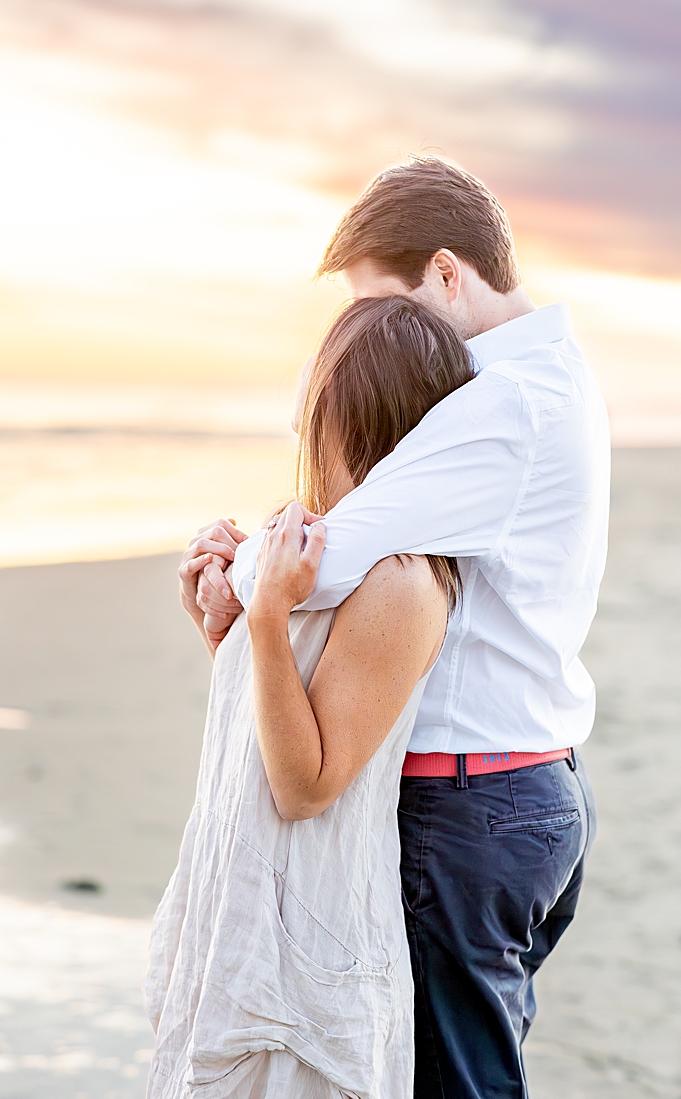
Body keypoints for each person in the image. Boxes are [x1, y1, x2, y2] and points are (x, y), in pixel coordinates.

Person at [181, 157, 606, 1098]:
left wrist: (238, 570)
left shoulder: (505, 405)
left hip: (471, 802)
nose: (382, 336)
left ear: (448, 273)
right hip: (520, 784)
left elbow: (325, 554)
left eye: (388, 307)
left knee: (458, 1083)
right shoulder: (553, 376)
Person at [148, 295, 472, 1098]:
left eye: (318, 401)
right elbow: (264, 722)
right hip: (242, 906)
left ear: (353, 415)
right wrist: (218, 622)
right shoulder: (318, 544)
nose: (302, 421)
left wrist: (265, 616)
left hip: (309, 938)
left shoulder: (403, 581)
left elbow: (304, 784)